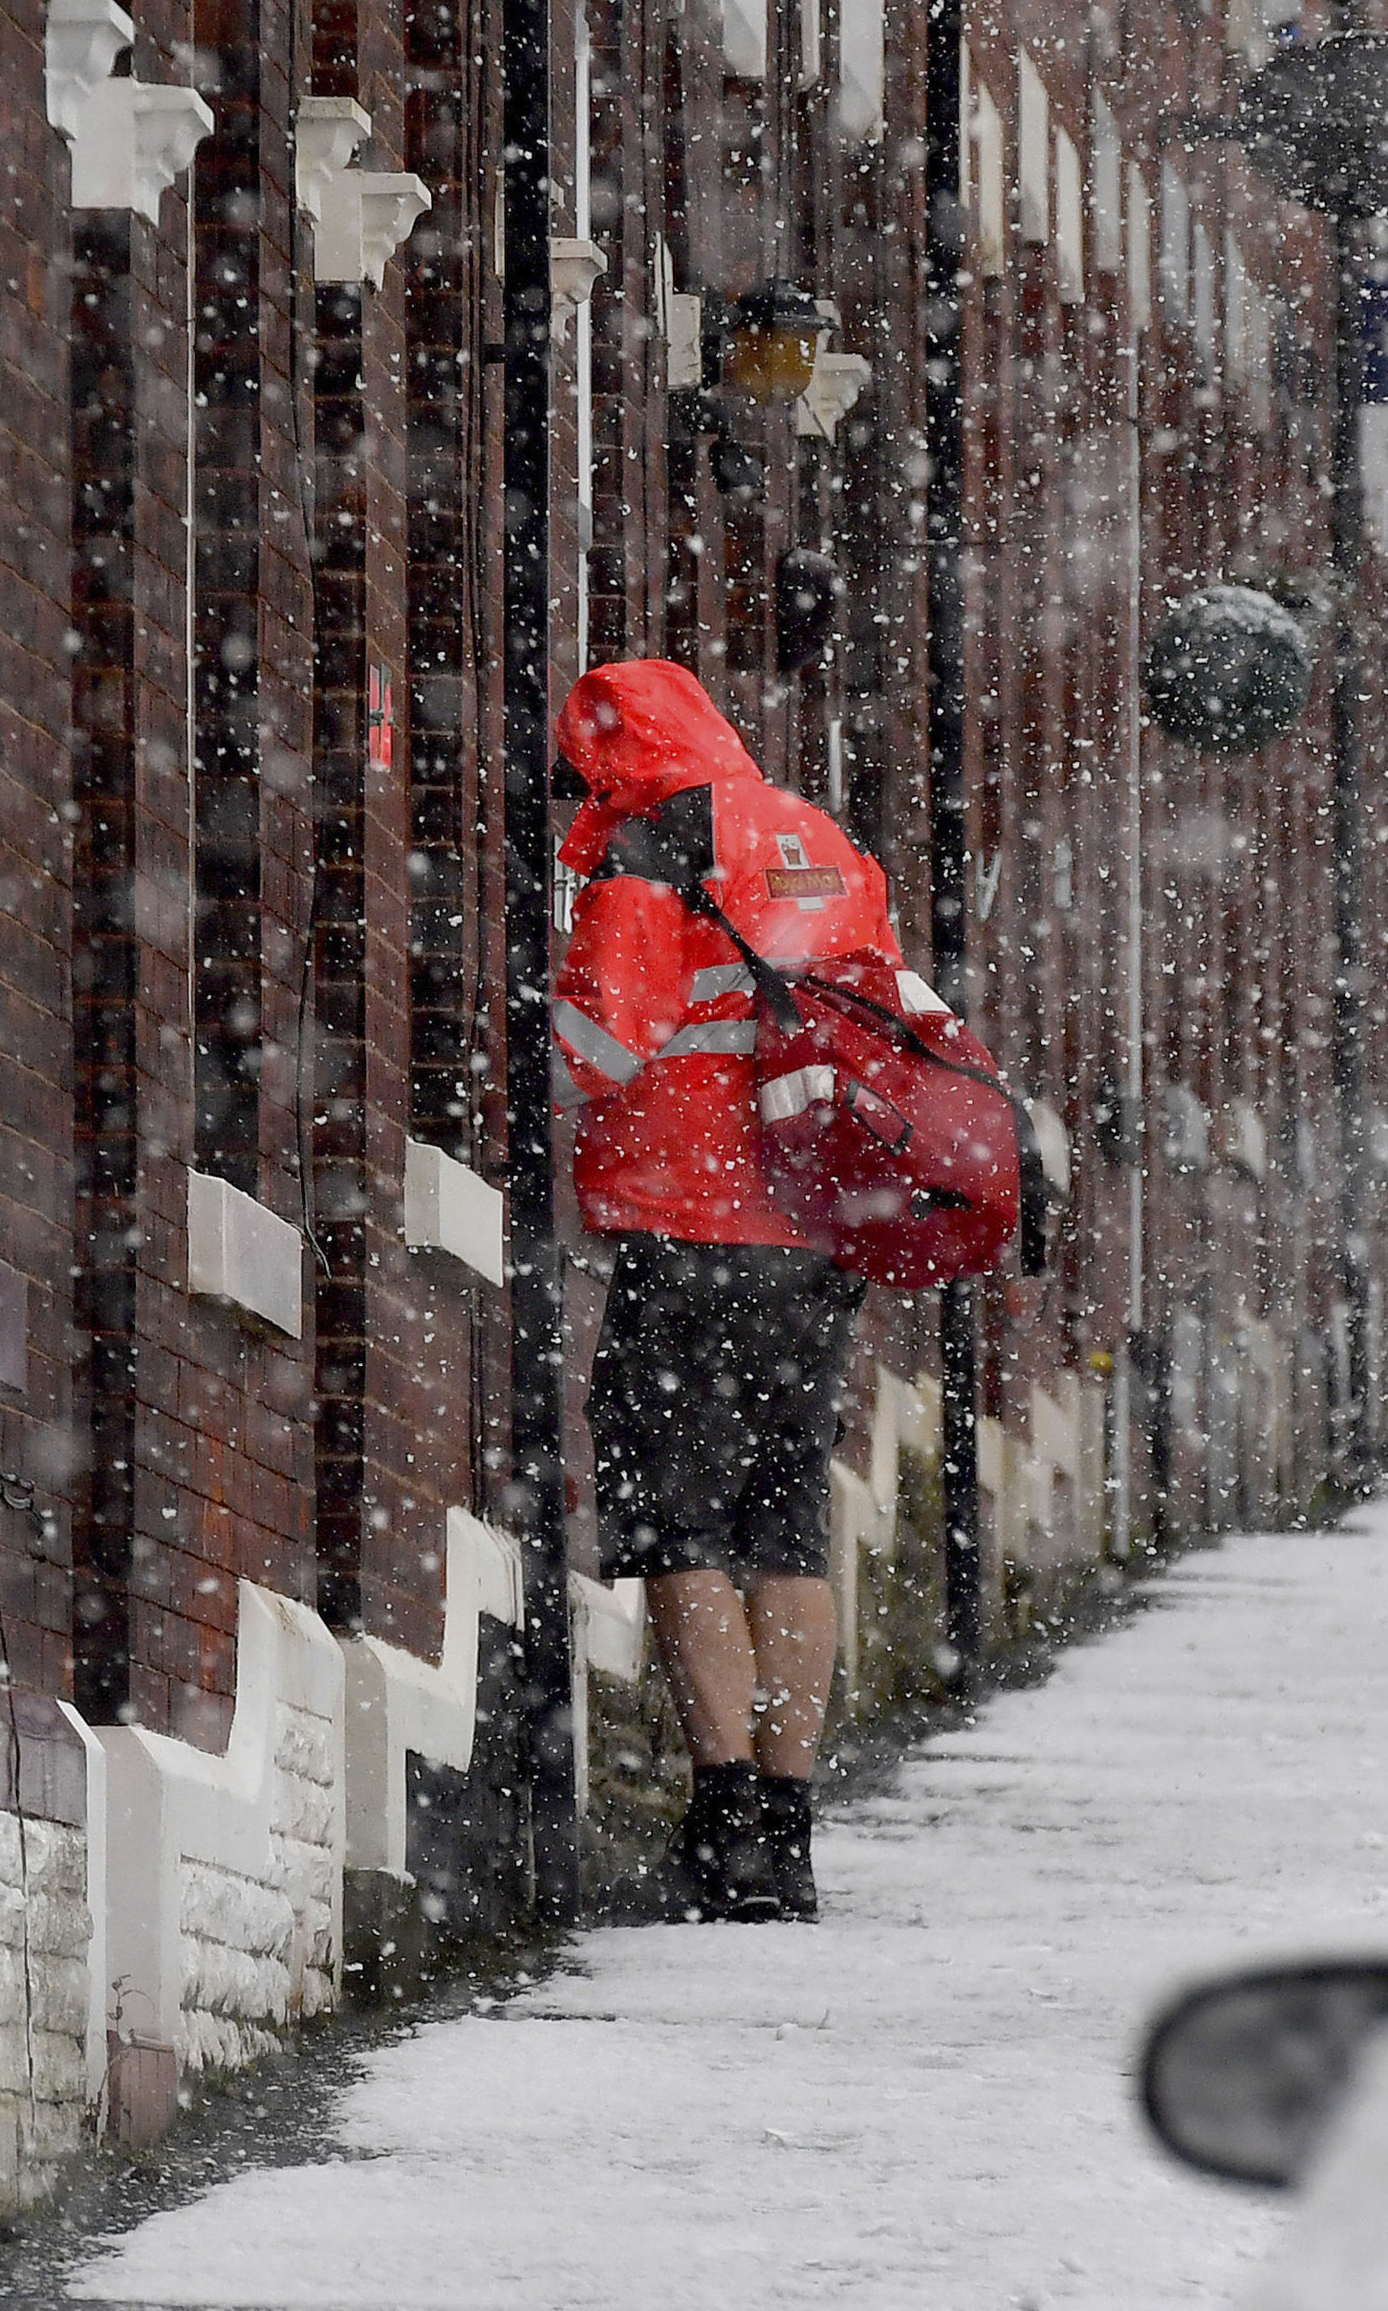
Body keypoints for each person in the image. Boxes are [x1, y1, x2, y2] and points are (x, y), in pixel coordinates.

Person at [551, 659, 909, 1922]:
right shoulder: (817, 837)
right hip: (814, 1233)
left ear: (611, 761)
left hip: (687, 1227)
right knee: (786, 1514)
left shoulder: (646, 846)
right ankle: (795, 1827)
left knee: (681, 1526)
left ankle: (726, 1822)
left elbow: (596, 1046)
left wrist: (577, 921)